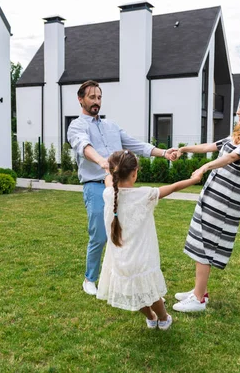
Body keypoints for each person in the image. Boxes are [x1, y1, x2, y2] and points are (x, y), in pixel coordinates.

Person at [67, 80, 178, 296]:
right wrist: (102, 162)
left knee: (124, 235)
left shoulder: (111, 126)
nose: (96, 101)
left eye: (99, 97)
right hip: (96, 186)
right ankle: (90, 278)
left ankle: (123, 277)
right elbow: (83, 146)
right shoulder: (77, 126)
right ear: (80, 99)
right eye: (92, 97)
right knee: (100, 235)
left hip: (121, 187)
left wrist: (164, 153)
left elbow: (135, 145)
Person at [172, 91, 240, 313]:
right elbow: (212, 147)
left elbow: (229, 158)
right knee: (200, 238)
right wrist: (184, 148)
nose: (238, 111)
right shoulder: (238, 136)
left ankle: (198, 299)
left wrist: (206, 167)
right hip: (214, 194)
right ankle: (200, 291)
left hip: (225, 201)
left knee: (205, 243)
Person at [96, 150, 201, 329]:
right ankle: (163, 317)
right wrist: (194, 179)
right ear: (134, 173)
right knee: (150, 293)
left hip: (121, 261)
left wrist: (107, 170)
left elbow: (108, 180)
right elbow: (174, 187)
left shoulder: (108, 194)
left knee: (137, 294)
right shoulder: (145, 194)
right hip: (141, 260)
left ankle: (151, 317)